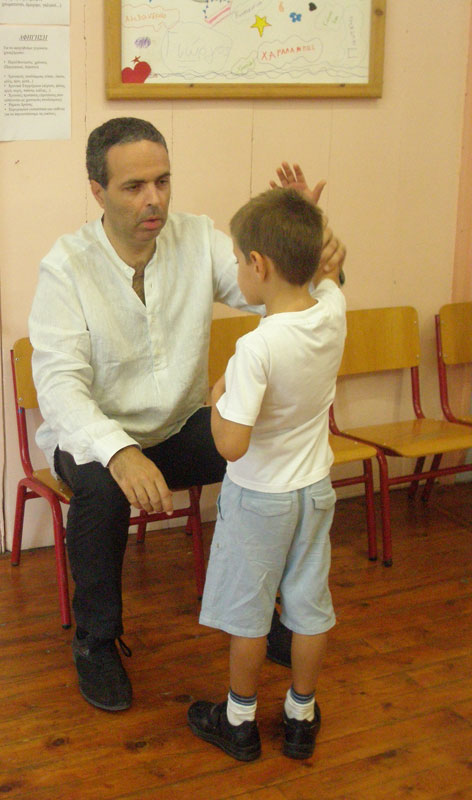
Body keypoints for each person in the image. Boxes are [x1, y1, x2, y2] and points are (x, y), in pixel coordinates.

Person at [28, 117, 346, 713]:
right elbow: (59, 384)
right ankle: (96, 641)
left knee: (262, 459)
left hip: (176, 427)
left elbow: (272, 292)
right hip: (97, 437)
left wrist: (302, 247)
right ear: (97, 192)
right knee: (101, 493)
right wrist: (119, 451)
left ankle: (263, 615)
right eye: (134, 186)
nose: (154, 199)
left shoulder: (198, 238)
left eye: (163, 181)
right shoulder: (67, 267)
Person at [187, 188, 346, 762]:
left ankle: (239, 721)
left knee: (250, 617)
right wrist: (305, 216)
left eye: (237, 260)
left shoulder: (255, 348)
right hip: (314, 491)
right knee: (308, 607)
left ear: (259, 265)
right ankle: (301, 715)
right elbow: (329, 271)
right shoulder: (333, 308)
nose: (235, 271)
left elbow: (231, 444)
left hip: (259, 500)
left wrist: (217, 397)